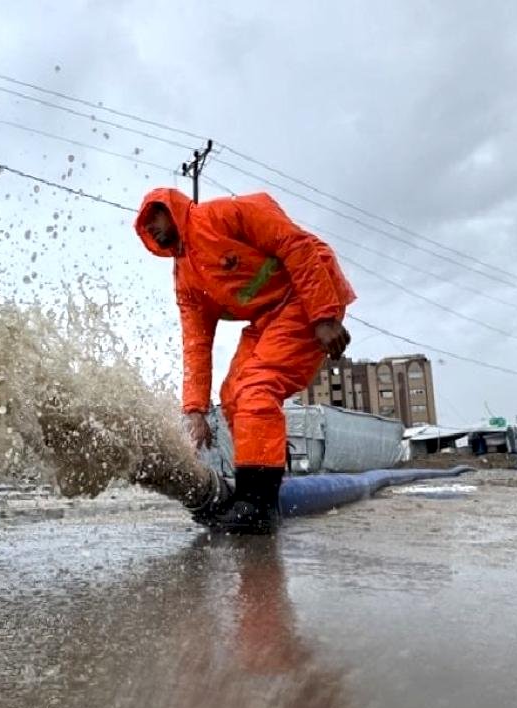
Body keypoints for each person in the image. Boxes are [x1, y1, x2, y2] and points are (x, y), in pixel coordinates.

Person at [135, 188, 356, 534]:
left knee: (257, 387)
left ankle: (258, 506)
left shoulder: (220, 216)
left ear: (171, 209)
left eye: (154, 218)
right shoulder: (184, 279)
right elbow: (196, 342)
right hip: (267, 318)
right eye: (144, 227)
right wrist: (194, 409)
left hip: (305, 296)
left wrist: (323, 315)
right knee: (234, 396)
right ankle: (258, 484)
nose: (151, 229)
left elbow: (294, 243)